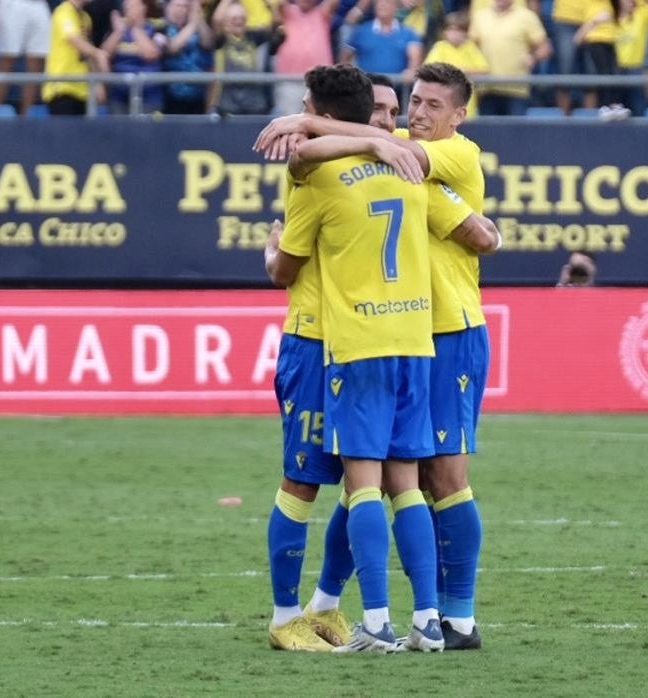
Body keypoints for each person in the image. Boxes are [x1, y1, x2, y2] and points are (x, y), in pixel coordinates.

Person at [253, 62, 499, 651]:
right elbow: (481, 232)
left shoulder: (439, 156)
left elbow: (284, 265)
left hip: (401, 336)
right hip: (408, 337)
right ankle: (374, 613)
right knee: (392, 482)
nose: (410, 118)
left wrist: (305, 125)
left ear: (459, 115)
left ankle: (418, 618)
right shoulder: (406, 164)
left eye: (426, 106)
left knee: (425, 479)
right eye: (402, 106)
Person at [256, 70, 428, 655]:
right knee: (325, 482)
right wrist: (376, 141)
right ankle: (287, 616)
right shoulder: (403, 161)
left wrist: (272, 251)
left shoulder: (322, 173)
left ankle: (321, 605)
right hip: (328, 342)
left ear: (318, 113)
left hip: (334, 341)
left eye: (305, 109)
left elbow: (284, 270)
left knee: (339, 486)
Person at [468, 0, 550, 116]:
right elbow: (469, 48)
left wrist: (533, 57)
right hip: (486, 88)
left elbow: (545, 48)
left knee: (516, 133)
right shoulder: (479, 16)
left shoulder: (527, 16)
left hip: (516, 88)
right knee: (487, 133)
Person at [42, 0, 108, 116]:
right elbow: (74, 39)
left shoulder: (86, 18)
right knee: (65, 133)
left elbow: (86, 51)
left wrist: (98, 83)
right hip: (62, 88)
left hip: (82, 90)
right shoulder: (63, 11)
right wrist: (98, 53)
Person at [101, 0, 167, 114]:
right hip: (119, 93)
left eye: (133, 5)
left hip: (149, 93)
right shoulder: (118, 28)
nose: (129, 9)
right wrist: (118, 32)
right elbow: (104, 54)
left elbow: (151, 54)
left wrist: (136, 28)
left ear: (143, 7)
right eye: (127, 6)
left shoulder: (156, 28)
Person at [272, 0, 337, 116]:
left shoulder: (322, 13)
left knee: (321, 124)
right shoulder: (287, 12)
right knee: (289, 124)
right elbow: (279, 3)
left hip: (320, 82)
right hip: (290, 81)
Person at [422, 12, 486, 118]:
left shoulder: (470, 47)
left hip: (467, 107)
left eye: (459, 30)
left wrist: (465, 71)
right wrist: (456, 72)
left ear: (465, 32)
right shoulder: (440, 47)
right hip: (442, 105)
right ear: (444, 32)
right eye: (451, 29)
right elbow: (429, 68)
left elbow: (484, 70)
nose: (454, 33)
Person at [339, 0, 421, 82]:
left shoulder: (408, 33)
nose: (382, 5)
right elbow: (345, 58)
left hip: (396, 89)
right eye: (379, 2)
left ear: (396, 7)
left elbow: (414, 62)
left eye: (387, 2)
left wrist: (411, 72)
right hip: (366, 87)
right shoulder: (361, 31)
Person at [0, 0, 50, 116]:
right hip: (13, 4)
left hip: (39, 5)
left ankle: (26, 117)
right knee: (7, 60)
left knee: (36, 63)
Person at [159, 0, 214, 115]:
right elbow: (172, 48)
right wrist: (192, 25)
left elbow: (208, 42)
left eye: (186, 7)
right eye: (178, 6)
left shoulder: (197, 28)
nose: (182, 10)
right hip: (171, 96)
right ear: (168, 8)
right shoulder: (162, 27)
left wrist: (198, 16)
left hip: (198, 96)